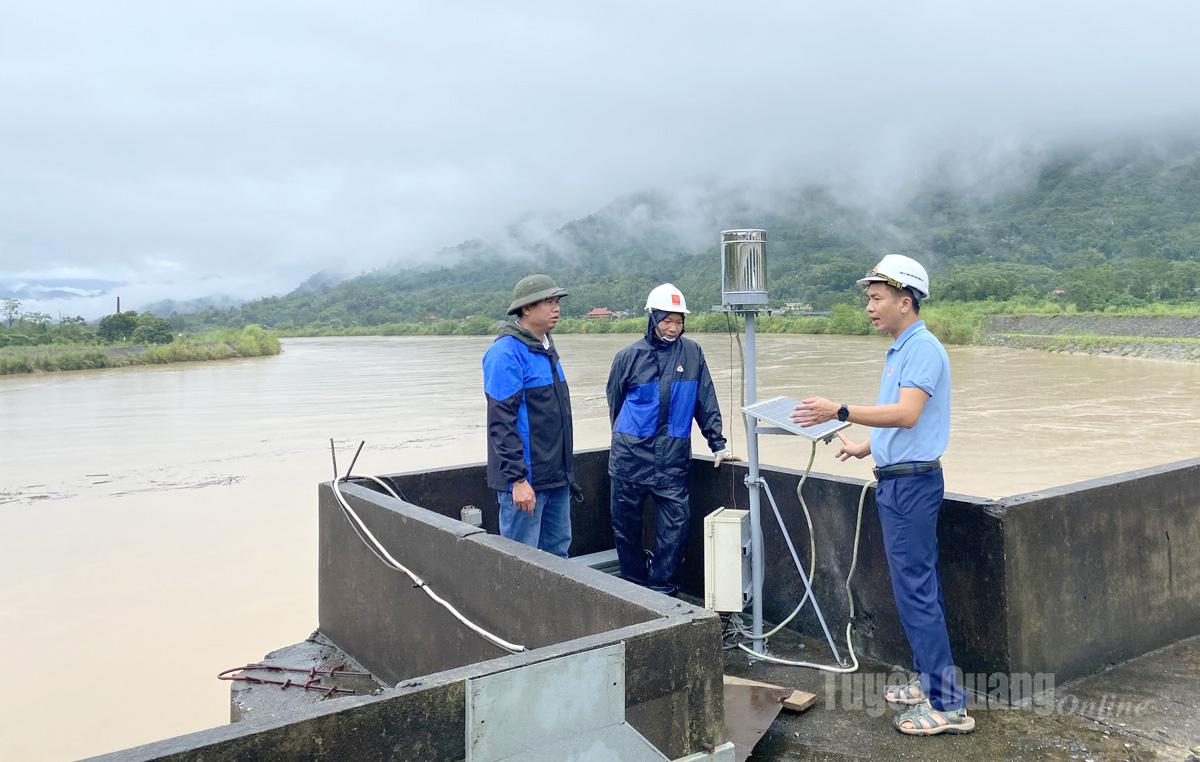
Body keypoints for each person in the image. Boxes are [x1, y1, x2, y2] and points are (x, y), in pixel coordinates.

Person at [789, 254, 973, 736]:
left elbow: (908, 414)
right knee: (914, 590)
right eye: (869, 298)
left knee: (918, 592)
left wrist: (840, 409)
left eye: (876, 298)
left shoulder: (923, 349)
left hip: (912, 486)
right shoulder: (901, 349)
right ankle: (929, 682)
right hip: (899, 480)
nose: (869, 307)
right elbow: (903, 420)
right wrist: (864, 446)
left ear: (905, 301)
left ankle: (948, 705)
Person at [606, 283, 737, 595]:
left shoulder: (692, 353)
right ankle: (635, 589)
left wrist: (717, 443)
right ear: (653, 318)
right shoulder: (628, 357)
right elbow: (615, 402)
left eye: (679, 321)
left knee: (674, 530)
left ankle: (663, 590)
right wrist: (629, 439)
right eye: (667, 320)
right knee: (626, 530)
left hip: (672, 461)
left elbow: (705, 399)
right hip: (629, 460)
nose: (673, 328)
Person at [482, 274, 577, 558]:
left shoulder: (547, 347)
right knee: (522, 559)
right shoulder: (506, 353)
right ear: (526, 308)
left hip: (556, 478)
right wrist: (518, 481)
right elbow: (501, 423)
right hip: (526, 482)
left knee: (558, 555)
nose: (556, 308)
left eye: (557, 301)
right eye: (548, 302)